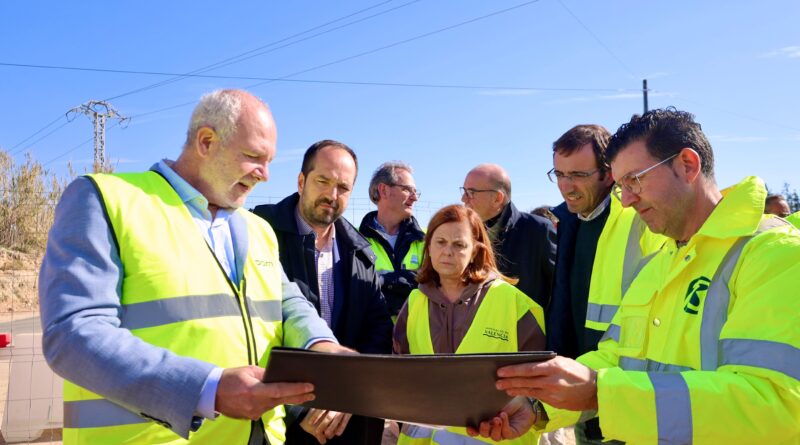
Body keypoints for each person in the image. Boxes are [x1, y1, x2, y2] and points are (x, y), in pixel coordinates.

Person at [39, 89, 351, 445]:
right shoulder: (106, 200)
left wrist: (323, 346)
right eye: (253, 157)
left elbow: (288, 304)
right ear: (206, 141)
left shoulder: (257, 229)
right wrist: (209, 389)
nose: (265, 175)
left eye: (270, 161)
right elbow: (73, 333)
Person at [473, 108, 800, 444]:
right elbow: (617, 357)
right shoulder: (660, 264)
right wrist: (538, 405)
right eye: (620, 185)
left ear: (687, 165)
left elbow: (777, 402)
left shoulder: (774, 254)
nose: (626, 201)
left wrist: (603, 394)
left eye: (634, 180)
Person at [252, 140, 393, 445]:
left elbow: (378, 331)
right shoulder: (259, 235)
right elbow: (247, 333)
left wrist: (350, 396)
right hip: (278, 421)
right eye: (323, 181)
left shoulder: (360, 254)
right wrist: (299, 409)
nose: (332, 195)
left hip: (347, 419)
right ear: (301, 181)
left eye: (343, 187)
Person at [545, 124, 665, 444]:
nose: (566, 186)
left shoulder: (640, 220)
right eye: (558, 174)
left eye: (578, 175)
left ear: (608, 173)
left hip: (630, 390)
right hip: (584, 389)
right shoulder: (568, 222)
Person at [393, 204, 546, 445]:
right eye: (440, 242)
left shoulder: (513, 302)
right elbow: (400, 375)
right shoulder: (414, 303)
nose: (447, 252)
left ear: (476, 251)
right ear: (429, 248)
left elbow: (539, 380)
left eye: (459, 244)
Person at [461, 164, 556, 309]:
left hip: (524, 330)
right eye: (464, 191)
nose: (463, 198)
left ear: (497, 198)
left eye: (471, 192)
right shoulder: (462, 234)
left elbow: (559, 291)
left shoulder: (538, 231)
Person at [358, 161, 425, 321]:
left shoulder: (429, 239)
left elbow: (432, 283)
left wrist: (382, 280)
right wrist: (409, 279)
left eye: (415, 191)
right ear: (384, 190)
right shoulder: (354, 238)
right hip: (371, 339)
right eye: (407, 190)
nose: (414, 198)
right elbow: (356, 289)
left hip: (415, 338)